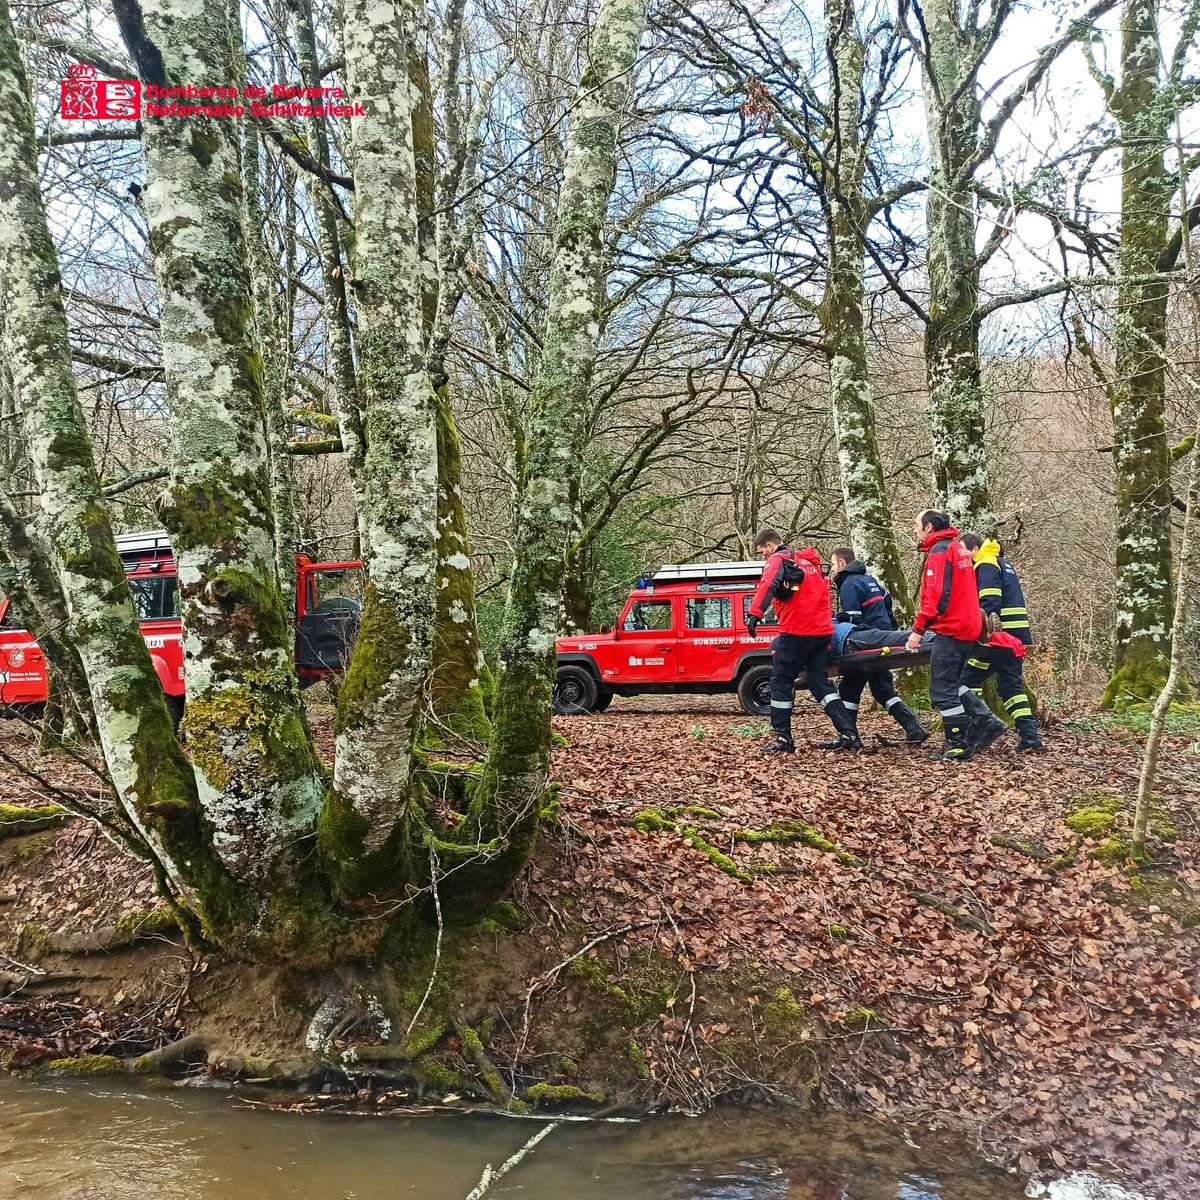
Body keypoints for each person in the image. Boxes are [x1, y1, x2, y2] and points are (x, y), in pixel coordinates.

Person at [903, 510, 1007, 762]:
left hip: (952, 628)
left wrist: (918, 631)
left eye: (917, 525)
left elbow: (935, 596)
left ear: (928, 527)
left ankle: (959, 743)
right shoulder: (957, 549)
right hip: (968, 626)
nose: (915, 529)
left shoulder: (940, 553)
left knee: (942, 690)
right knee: (951, 682)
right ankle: (984, 720)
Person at [746, 529, 860, 754]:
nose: (763, 557)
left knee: (780, 682)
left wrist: (754, 613)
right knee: (820, 683)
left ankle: (782, 738)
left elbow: (768, 585)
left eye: (762, 553)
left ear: (770, 546)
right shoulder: (809, 562)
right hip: (821, 632)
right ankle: (849, 733)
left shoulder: (779, 559)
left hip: (796, 631)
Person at [825, 548, 929, 745]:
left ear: (841, 564)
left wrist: (838, 620)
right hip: (883, 639)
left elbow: (853, 619)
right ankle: (913, 727)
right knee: (882, 689)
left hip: (866, 642)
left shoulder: (849, 584)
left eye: (832, 564)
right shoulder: (871, 581)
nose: (832, 569)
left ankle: (849, 736)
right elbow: (888, 605)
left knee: (849, 688)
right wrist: (891, 631)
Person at [958, 533, 1045, 752]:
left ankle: (977, 728)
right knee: (1010, 687)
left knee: (966, 680)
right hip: (1015, 637)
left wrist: (974, 630)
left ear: (975, 549)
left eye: (964, 551)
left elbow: (989, 602)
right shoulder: (1003, 563)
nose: (962, 557)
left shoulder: (986, 564)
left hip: (998, 639)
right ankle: (1030, 738)